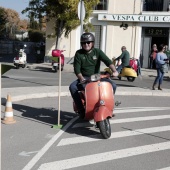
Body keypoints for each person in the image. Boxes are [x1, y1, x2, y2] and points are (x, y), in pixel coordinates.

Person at [69, 32, 118, 118]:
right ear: (81, 44)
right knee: (72, 87)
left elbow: (108, 61)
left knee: (112, 85)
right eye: (84, 43)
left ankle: (109, 107)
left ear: (92, 43)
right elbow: (77, 69)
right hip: (85, 78)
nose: (86, 44)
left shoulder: (97, 52)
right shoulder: (79, 53)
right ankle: (81, 110)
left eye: (88, 42)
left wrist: (114, 70)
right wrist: (81, 78)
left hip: (97, 77)